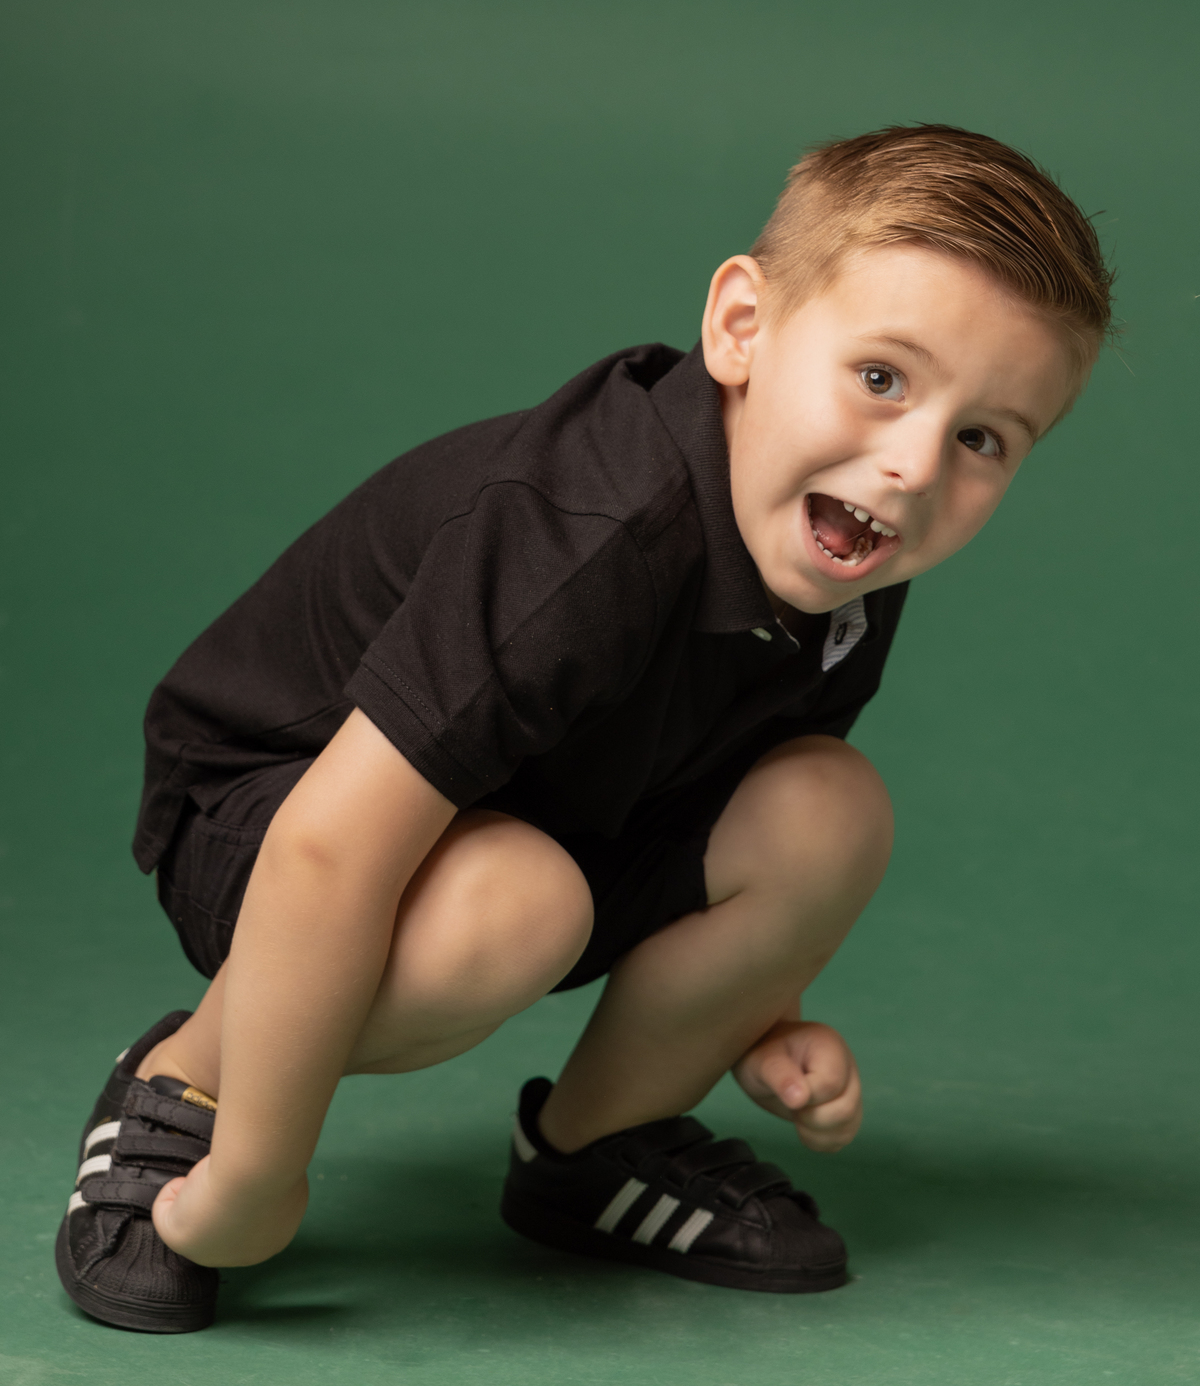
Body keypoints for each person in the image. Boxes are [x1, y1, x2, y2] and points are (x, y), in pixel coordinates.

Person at [56, 125, 1113, 1333]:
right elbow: (327, 848)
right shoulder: (588, 534)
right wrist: (258, 1175)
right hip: (276, 819)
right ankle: (190, 1080)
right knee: (517, 902)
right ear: (742, 328)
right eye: (882, 378)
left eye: (982, 439)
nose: (915, 465)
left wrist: (761, 1016)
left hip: (539, 814)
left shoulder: (846, 552)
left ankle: (594, 1144)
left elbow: (736, 777)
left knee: (828, 804)